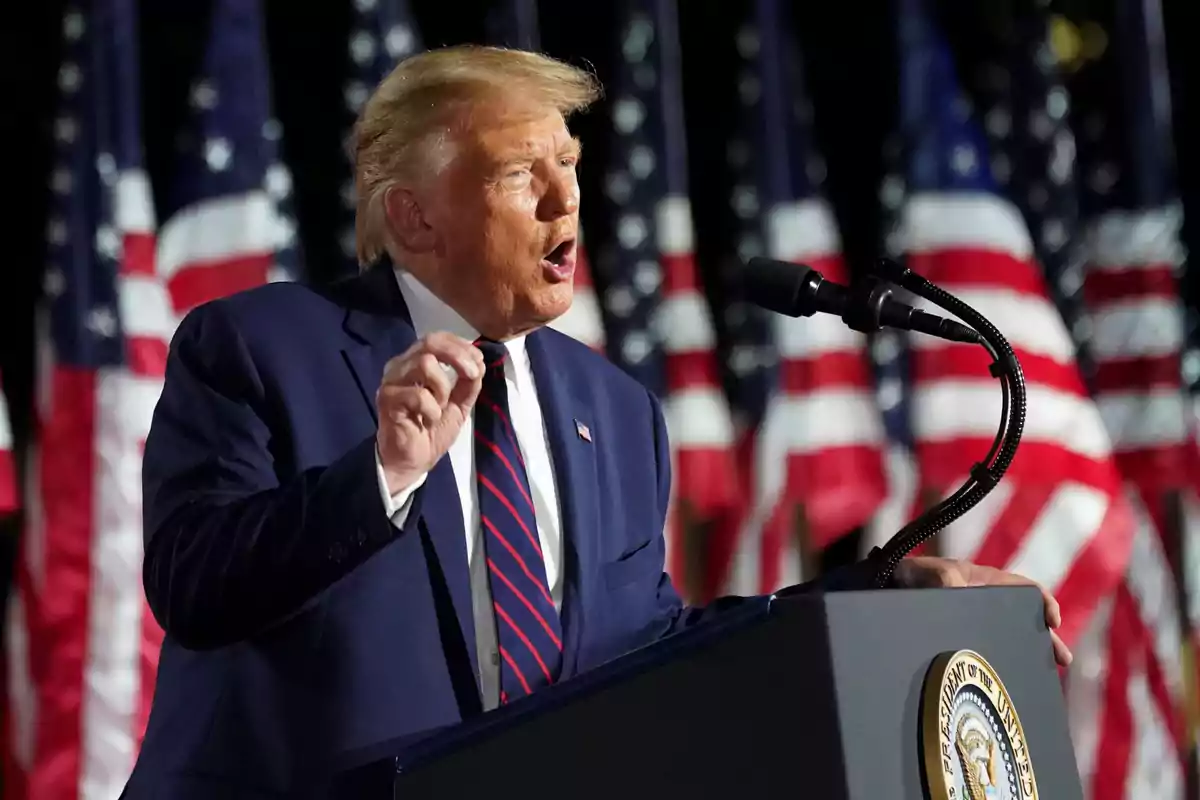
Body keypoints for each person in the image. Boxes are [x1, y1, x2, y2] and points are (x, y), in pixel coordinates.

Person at [122, 45, 1070, 799]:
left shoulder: (615, 413)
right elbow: (192, 583)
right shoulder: (257, 345)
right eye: (517, 172)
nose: (565, 197)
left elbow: (651, 652)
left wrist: (878, 595)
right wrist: (380, 479)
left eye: (569, 162)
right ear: (413, 220)